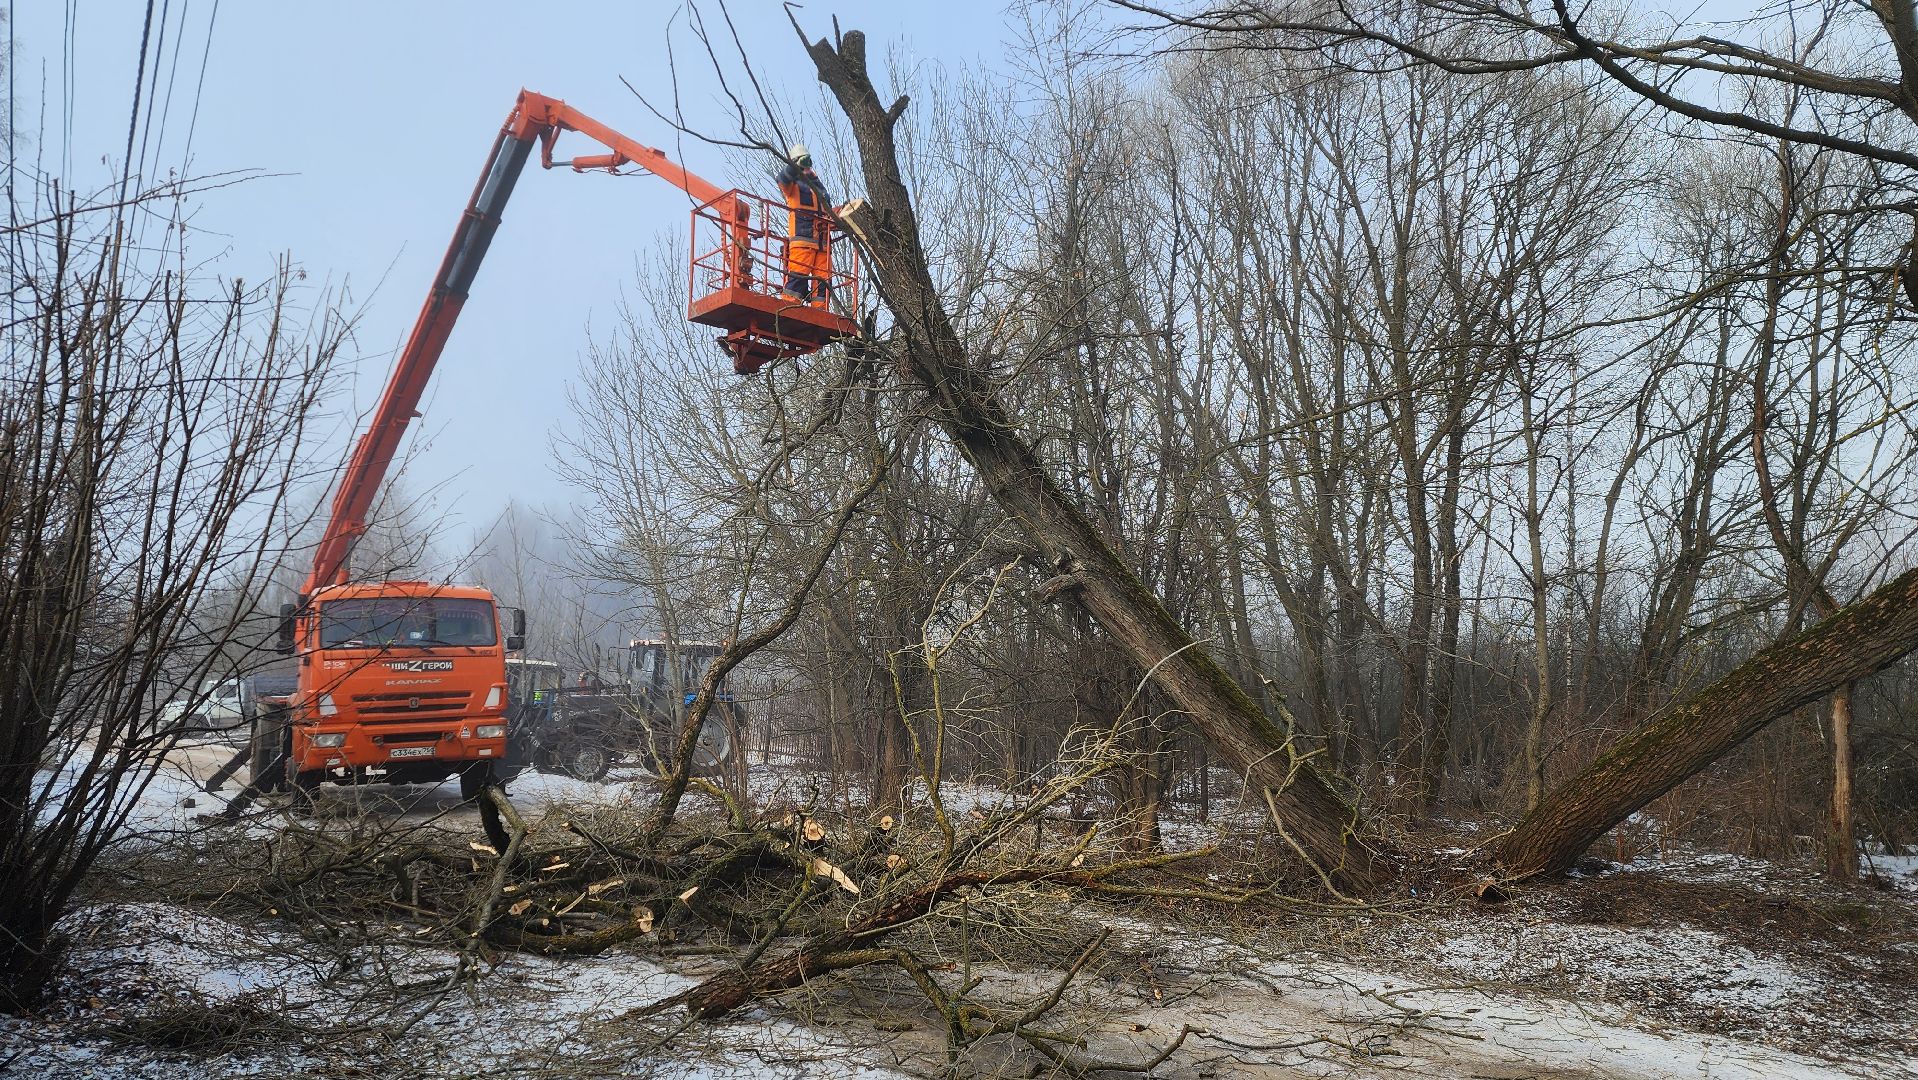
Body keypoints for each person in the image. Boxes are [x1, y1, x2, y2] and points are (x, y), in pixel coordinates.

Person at [774, 143, 833, 305]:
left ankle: (820, 313)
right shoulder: (792, 186)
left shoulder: (818, 186)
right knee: (798, 277)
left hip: (823, 245)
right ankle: (788, 307)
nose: (806, 166)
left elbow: (828, 211)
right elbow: (782, 179)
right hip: (803, 241)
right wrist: (795, 166)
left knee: (823, 284)